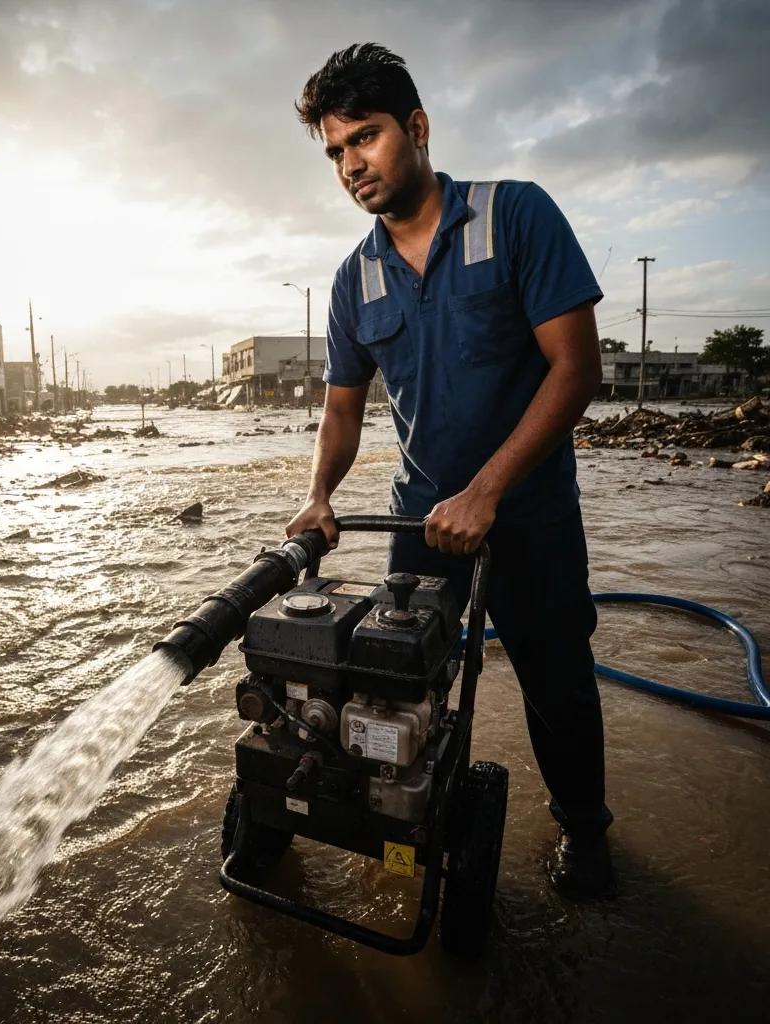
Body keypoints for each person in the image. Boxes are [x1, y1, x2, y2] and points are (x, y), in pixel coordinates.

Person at [285, 44, 613, 898]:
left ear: (417, 128)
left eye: (366, 137)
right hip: (419, 521)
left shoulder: (516, 217)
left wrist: (490, 489)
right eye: (335, 150)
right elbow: (345, 409)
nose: (352, 163)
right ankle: (409, 820)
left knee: (556, 682)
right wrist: (319, 497)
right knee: (396, 680)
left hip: (529, 512)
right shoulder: (354, 279)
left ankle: (585, 833)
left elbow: (577, 372)